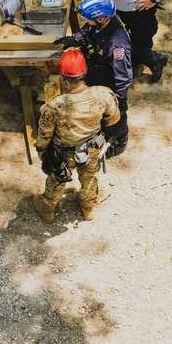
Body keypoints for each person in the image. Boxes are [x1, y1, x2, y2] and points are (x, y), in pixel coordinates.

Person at [33, 49, 121, 222]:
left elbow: (45, 135)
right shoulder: (103, 94)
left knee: (57, 178)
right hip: (93, 147)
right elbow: (113, 119)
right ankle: (88, 207)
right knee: (89, 175)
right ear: (85, 72)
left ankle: (48, 208)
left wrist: (42, 151)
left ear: (63, 77)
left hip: (64, 152)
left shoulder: (55, 106)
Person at [55, 0, 132, 157]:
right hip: (95, 73)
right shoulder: (99, 23)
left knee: (115, 119)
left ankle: (119, 143)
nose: (86, 21)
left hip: (108, 83)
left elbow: (123, 78)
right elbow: (87, 29)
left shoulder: (118, 44)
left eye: (88, 17)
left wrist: (115, 101)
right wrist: (76, 39)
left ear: (102, 18)